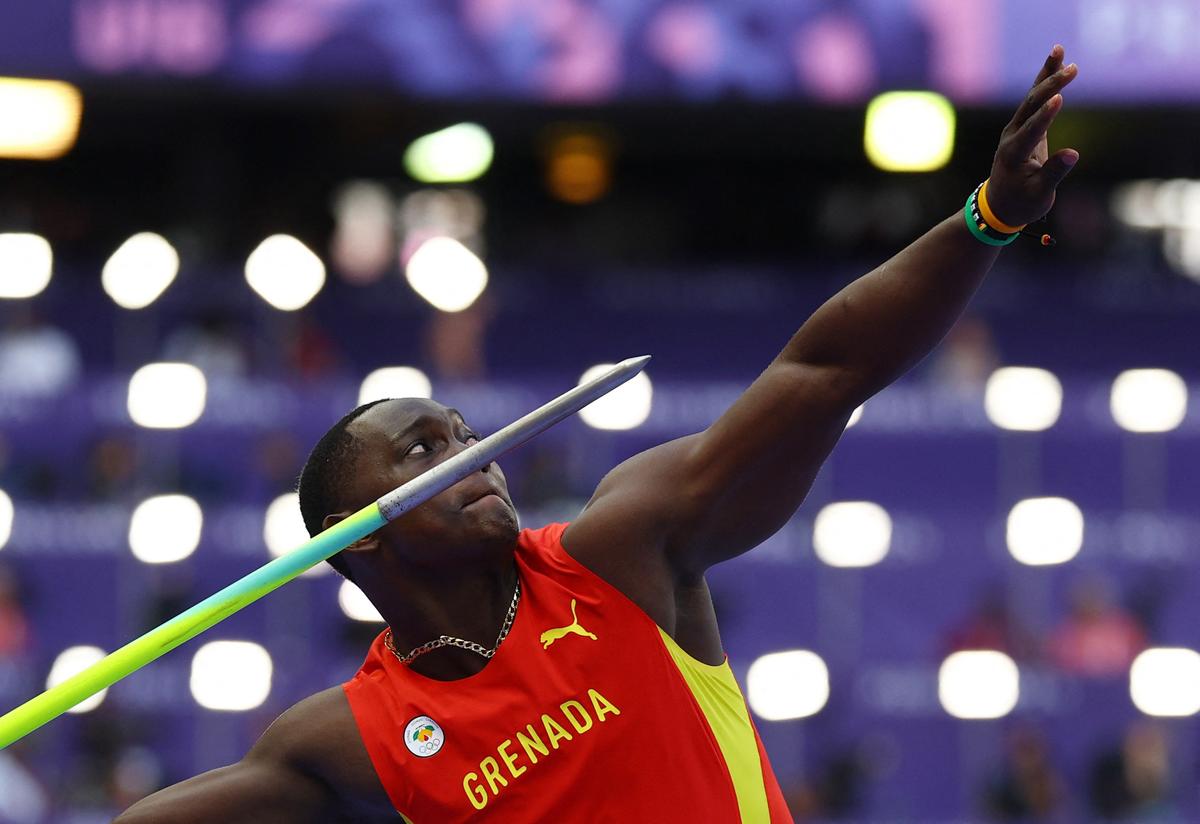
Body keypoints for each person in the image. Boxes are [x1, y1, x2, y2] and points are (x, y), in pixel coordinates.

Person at [116, 47, 1080, 823]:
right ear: (358, 534)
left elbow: (822, 377)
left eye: (462, 434)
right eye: (422, 453)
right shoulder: (348, 739)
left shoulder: (621, 552)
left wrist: (986, 218)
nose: (473, 456)